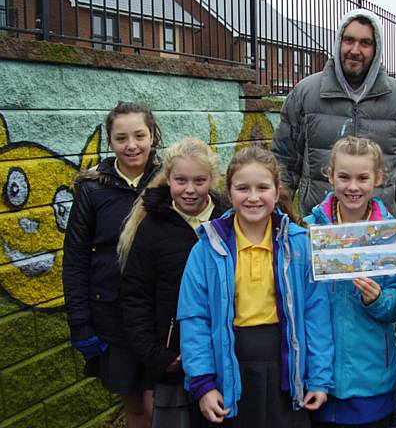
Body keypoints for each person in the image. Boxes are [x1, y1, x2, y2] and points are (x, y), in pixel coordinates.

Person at [176, 145, 334, 427]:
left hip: (286, 369)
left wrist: (320, 378)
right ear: (228, 191)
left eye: (262, 187)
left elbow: (316, 315)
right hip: (231, 367)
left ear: (276, 191)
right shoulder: (206, 249)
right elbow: (194, 319)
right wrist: (203, 382)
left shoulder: (299, 245)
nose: (252, 197)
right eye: (242, 188)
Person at [272, 8, 396, 216]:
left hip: (379, 233)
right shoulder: (306, 93)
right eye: (349, 40)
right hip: (319, 231)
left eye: (365, 43)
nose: (355, 50)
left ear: (377, 49)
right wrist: (281, 216)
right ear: (339, 42)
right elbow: (282, 161)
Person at [63, 101, 163, 428]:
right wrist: (80, 323)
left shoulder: (169, 183)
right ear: (110, 141)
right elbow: (76, 259)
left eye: (139, 135)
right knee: (135, 408)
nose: (131, 145)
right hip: (112, 315)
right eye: (121, 138)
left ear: (153, 136)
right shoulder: (92, 189)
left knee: (162, 404)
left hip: (160, 314)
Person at [118, 138, 230, 427]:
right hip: (175, 358)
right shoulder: (152, 228)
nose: (190, 189)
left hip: (227, 352)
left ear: (212, 180)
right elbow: (135, 296)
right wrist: (156, 355)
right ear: (168, 179)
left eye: (199, 180)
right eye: (181, 180)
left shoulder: (229, 221)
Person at [303, 136, 396, 428]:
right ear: (330, 176)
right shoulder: (308, 231)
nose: (353, 186)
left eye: (363, 178)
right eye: (344, 177)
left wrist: (378, 300)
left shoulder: (390, 236)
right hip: (317, 375)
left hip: (372, 375)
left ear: (378, 178)